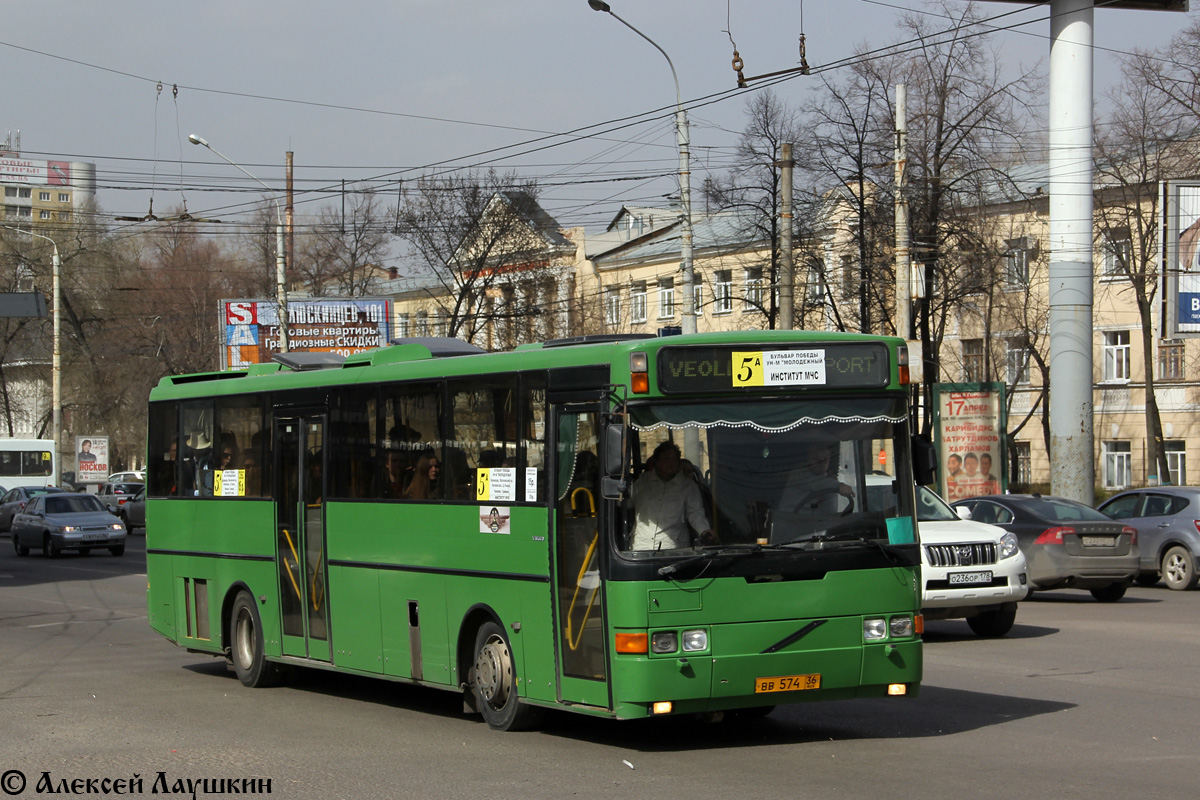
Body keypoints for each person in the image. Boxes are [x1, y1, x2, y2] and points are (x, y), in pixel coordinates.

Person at [629, 441, 713, 551]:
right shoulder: (643, 482)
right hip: (642, 546)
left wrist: (704, 531)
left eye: (674, 459)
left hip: (673, 549)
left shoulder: (687, 486)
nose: (671, 463)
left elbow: (695, 512)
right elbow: (627, 503)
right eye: (666, 459)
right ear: (656, 461)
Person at [778, 444, 854, 517]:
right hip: (787, 522)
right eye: (816, 459)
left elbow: (829, 514)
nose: (821, 462)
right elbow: (816, 484)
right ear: (807, 459)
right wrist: (840, 486)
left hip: (813, 525)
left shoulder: (829, 482)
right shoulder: (798, 474)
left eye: (825, 459)